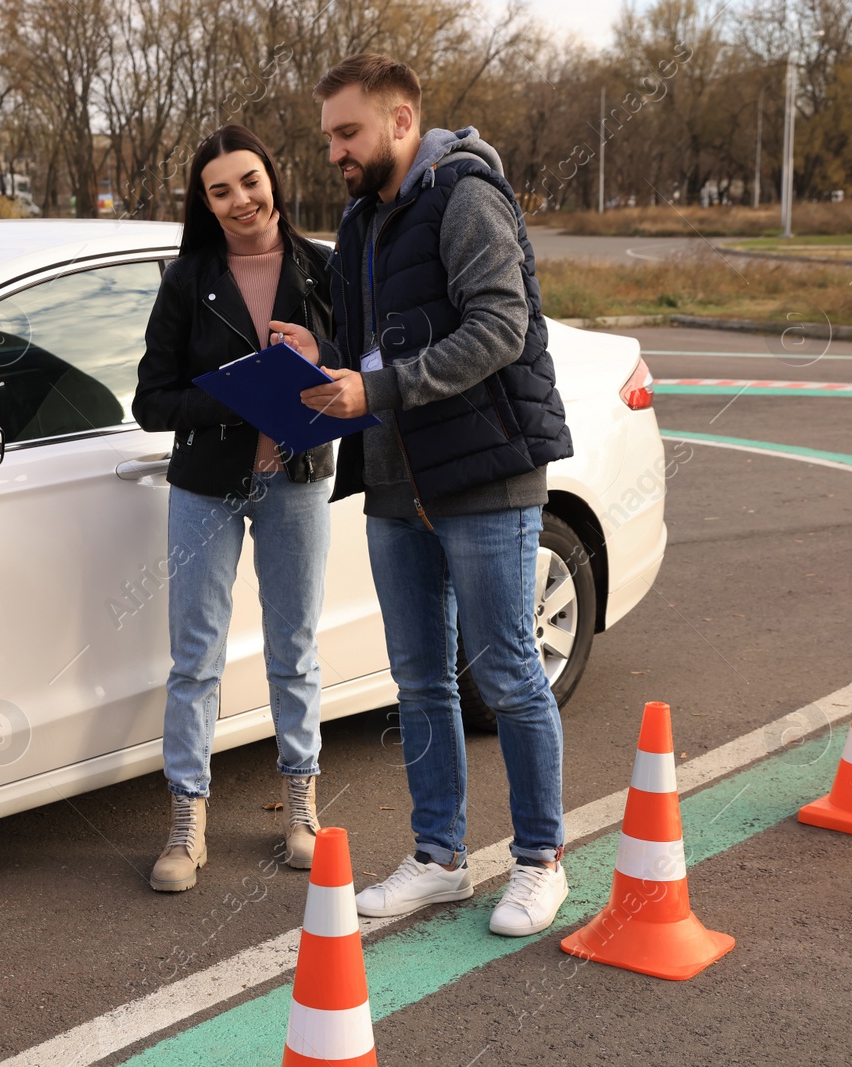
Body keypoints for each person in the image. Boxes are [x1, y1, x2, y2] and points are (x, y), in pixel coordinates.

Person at [272, 55, 575, 935]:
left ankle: (539, 859)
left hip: (486, 471)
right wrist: (319, 346)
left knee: (510, 674)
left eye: (347, 131)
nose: (334, 150)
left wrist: (377, 389)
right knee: (419, 682)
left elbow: (497, 327)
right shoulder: (363, 218)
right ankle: (441, 856)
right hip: (398, 483)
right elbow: (376, 345)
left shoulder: (464, 195)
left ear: (401, 122)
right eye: (329, 134)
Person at [132, 125, 336, 893]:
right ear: (205, 202)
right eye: (221, 189)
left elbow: (364, 368)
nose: (241, 199)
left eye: (249, 180)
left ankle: (299, 807)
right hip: (207, 484)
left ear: (272, 178)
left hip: (300, 474)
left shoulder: (324, 267)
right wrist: (229, 390)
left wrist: (318, 354)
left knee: (296, 645)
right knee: (196, 657)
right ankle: (188, 820)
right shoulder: (187, 279)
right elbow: (151, 400)